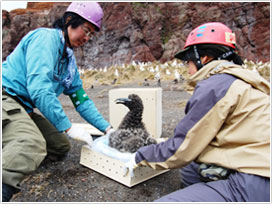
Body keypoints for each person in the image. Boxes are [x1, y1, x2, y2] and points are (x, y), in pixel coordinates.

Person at [124, 22, 270, 202]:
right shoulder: (245, 81)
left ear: (204, 58)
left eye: (188, 61)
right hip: (258, 163)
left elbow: (183, 146)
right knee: (192, 166)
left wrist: (141, 155)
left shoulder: (215, 86)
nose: (187, 68)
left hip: (256, 181)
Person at [2, 2, 114, 202]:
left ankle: (13, 152)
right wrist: (68, 127)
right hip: (5, 97)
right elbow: (40, 90)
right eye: (86, 30)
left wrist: (108, 129)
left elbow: (82, 101)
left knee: (59, 146)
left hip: (22, 108)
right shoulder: (46, 39)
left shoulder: (68, 61)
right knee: (31, 143)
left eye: (91, 35)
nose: (87, 38)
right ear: (69, 20)